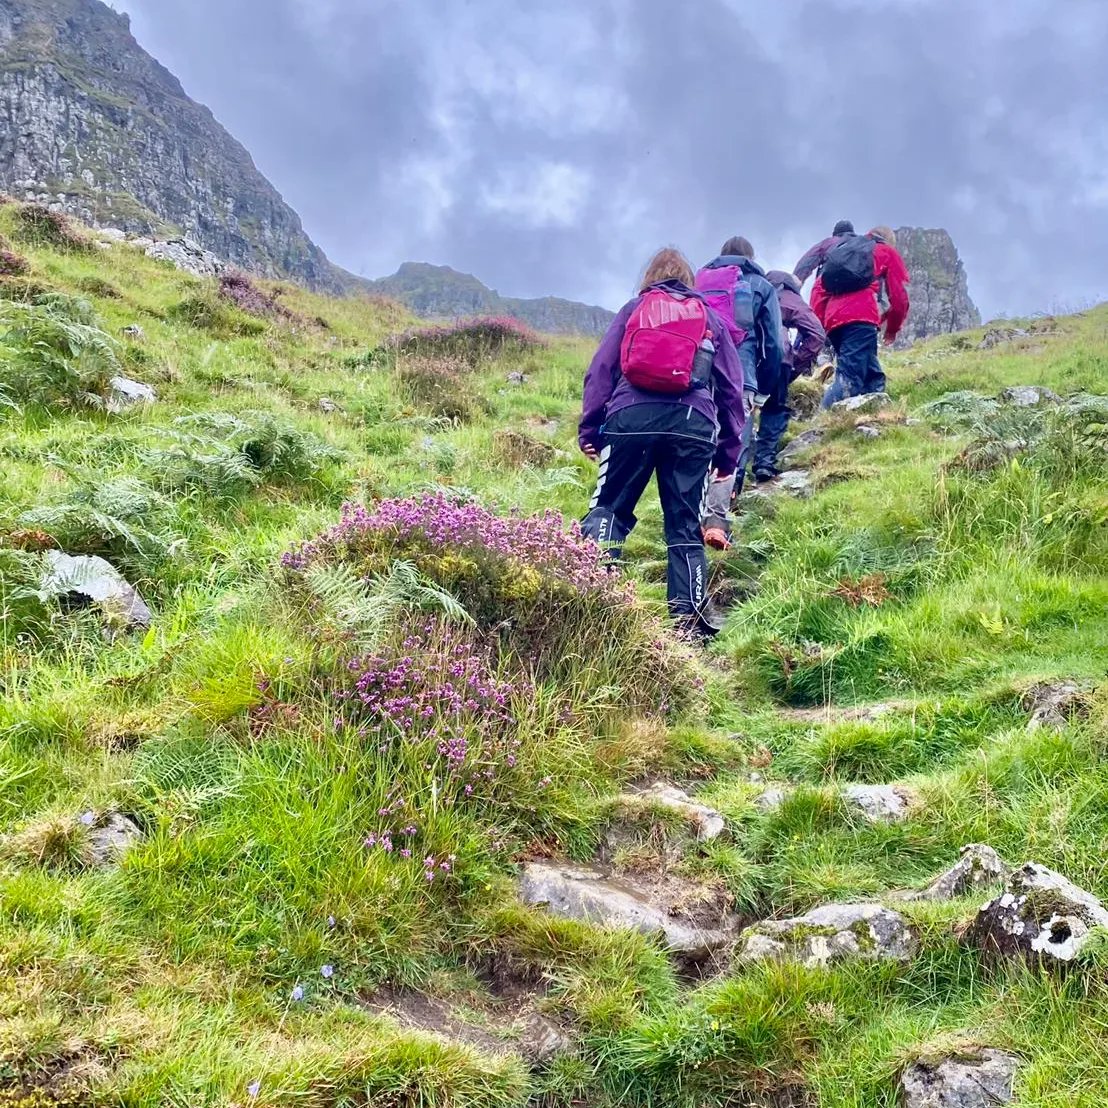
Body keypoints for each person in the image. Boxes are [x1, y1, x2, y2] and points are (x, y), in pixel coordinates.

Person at [579, 248, 745, 638]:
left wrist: (590, 429)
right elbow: (731, 390)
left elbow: (601, 371)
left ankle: (590, 598)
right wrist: (729, 451)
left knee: (608, 509)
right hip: (692, 424)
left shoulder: (634, 308)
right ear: (691, 281)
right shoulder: (709, 317)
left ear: (649, 277)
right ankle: (688, 625)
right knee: (685, 527)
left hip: (630, 418)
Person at [694, 237, 784, 547]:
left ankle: (691, 516)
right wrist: (764, 387)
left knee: (700, 441)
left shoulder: (698, 280)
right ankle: (717, 522)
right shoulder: (760, 285)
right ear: (750, 257)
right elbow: (774, 345)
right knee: (731, 444)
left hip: (700, 374)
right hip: (741, 376)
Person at [810, 226, 909, 407]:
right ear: (889, 241)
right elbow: (899, 297)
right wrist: (893, 329)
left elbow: (818, 290)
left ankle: (874, 413)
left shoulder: (844, 251)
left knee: (872, 372)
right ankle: (823, 422)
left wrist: (823, 325)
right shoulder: (885, 251)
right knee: (849, 378)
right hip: (861, 318)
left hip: (834, 322)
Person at [756, 269, 827, 469]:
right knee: (774, 409)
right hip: (779, 360)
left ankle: (733, 473)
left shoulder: (755, 292)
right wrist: (795, 364)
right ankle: (764, 462)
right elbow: (816, 335)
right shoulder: (792, 300)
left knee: (742, 410)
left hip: (749, 361)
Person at [793, 220, 856, 285]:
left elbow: (807, 261)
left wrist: (795, 282)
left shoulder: (828, 242)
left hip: (830, 286)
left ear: (835, 233)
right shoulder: (861, 242)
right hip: (859, 285)